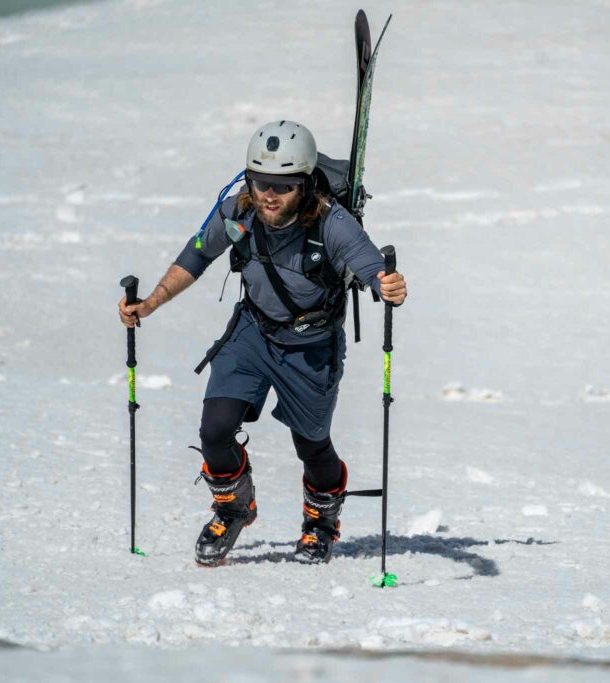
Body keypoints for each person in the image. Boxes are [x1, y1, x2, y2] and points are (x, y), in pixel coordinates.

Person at [117, 120, 407, 566]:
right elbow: (196, 254)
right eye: (260, 182)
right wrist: (152, 302)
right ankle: (233, 505)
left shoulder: (334, 224)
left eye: (284, 186)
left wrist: (387, 284)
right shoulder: (238, 211)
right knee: (214, 429)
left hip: (312, 347)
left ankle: (321, 520)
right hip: (252, 333)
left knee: (312, 446)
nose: (269, 195)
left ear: (306, 185)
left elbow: (370, 266)